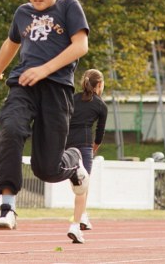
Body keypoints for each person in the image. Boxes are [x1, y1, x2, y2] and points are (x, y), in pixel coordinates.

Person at [0, 0, 90, 232]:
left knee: (47, 168)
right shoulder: (23, 13)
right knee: (11, 129)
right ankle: (7, 205)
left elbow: (80, 46)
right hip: (23, 84)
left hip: (57, 90)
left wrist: (45, 69)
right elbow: (12, 43)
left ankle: (74, 161)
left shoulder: (69, 6)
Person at [65, 69, 107, 244]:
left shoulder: (72, 99)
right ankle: (75, 225)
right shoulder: (100, 105)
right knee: (82, 184)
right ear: (99, 85)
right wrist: (94, 147)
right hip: (85, 145)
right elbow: (100, 133)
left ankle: (82, 216)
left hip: (68, 145)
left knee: (82, 182)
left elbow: (63, 119)